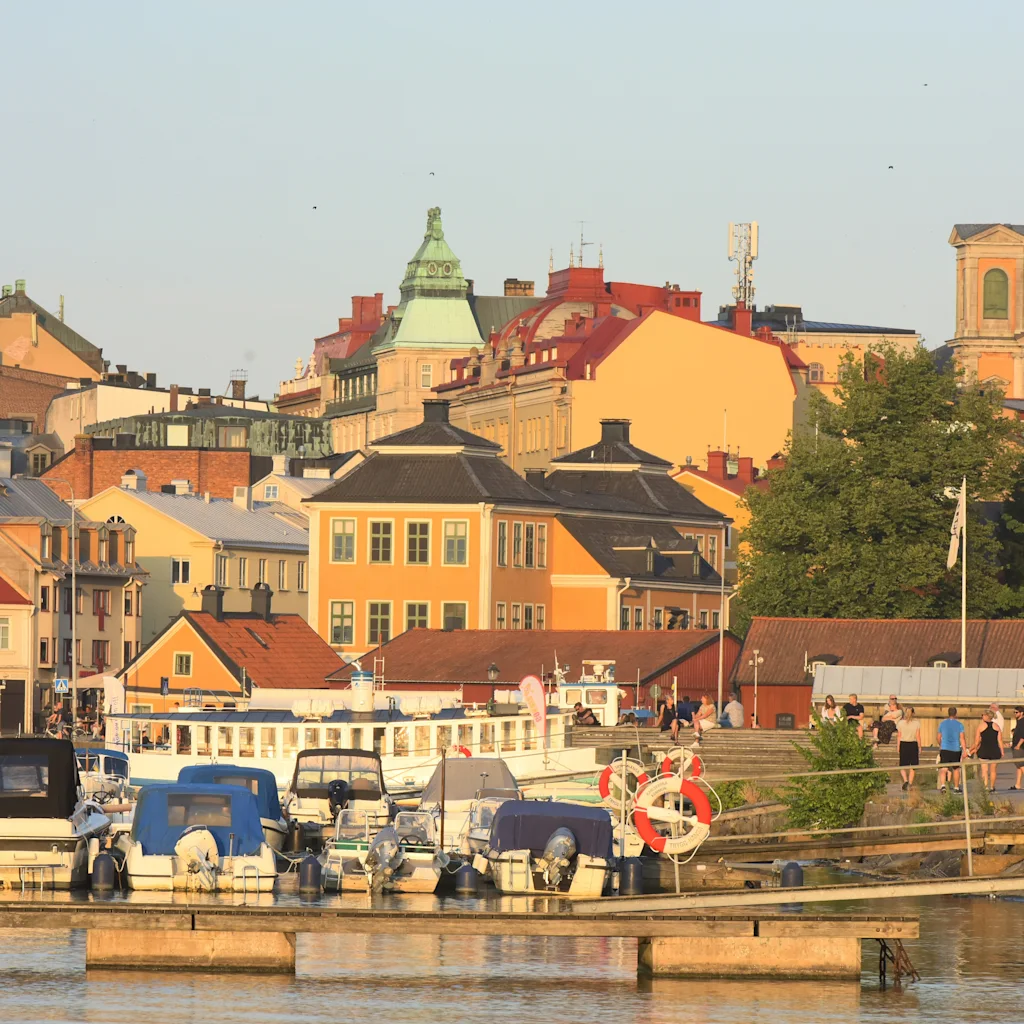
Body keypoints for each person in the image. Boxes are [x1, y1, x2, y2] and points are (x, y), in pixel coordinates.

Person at [970, 709, 1003, 790]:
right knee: (993, 770)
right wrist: (1002, 751)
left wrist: (973, 749)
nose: (982, 716)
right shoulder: (997, 726)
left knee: (984, 770)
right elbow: (1000, 740)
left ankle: (985, 787)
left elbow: (977, 741)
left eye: (983, 715)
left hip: (984, 750)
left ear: (986, 716)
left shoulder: (981, 726)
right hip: (995, 750)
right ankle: (992, 786)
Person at [937, 706, 967, 794]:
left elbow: (938, 737)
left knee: (943, 768)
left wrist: (941, 744)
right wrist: (965, 750)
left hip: (945, 748)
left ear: (948, 713)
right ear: (956, 714)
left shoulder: (942, 724)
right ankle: (956, 787)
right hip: (956, 749)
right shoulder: (959, 725)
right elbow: (962, 738)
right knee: (956, 769)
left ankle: (943, 786)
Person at [896, 706, 921, 790]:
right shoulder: (917, 723)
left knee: (902, 765)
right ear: (913, 713)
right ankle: (910, 783)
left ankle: (905, 780)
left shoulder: (900, 723)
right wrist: (920, 746)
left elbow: (899, 736)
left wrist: (898, 746)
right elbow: (918, 736)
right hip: (913, 744)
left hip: (904, 744)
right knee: (913, 766)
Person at [1010, 707, 1024, 791]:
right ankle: (1017, 784)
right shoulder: (1019, 722)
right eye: (1014, 712)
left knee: (1021, 765)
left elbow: (1023, 735)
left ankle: (1018, 784)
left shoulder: (1022, 722)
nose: (1015, 714)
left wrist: (1018, 745)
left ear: (1022, 713)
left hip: (1020, 747)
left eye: (1016, 712)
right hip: (1018, 746)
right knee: (1019, 766)